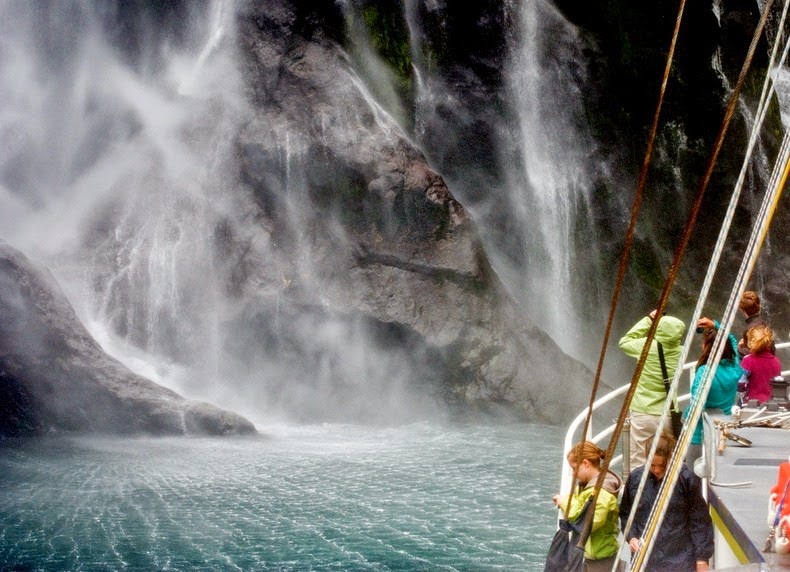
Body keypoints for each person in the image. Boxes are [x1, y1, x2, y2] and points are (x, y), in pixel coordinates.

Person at [619, 433, 714, 571]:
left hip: (681, 561)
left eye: (661, 465)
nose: (657, 470)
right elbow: (627, 514)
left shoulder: (686, 479)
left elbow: (699, 521)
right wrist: (632, 537)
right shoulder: (635, 479)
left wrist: (701, 559)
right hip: (646, 560)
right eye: (652, 465)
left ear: (670, 457)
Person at [619, 310, 686, 468]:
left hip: (642, 412)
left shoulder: (645, 346)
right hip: (667, 414)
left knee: (638, 458)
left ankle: (640, 491)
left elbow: (624, 342)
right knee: (667, 457)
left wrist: (649, 320)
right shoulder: (681, 352)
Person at [552, 441, 622, 572]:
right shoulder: (588, 486)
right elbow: (581, 505)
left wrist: (564, 502)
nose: (573, 473)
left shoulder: (601, 491)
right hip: (592, 555)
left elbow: (587, 521)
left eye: (574, 468)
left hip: (602, 559)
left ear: (585, 463)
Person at [684, 320, 743, 468]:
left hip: (700, 434)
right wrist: (715, 324)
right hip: (723, 430)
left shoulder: (705, 371)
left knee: (695, 476)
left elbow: (697, 405)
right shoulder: (734, 367)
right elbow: (732, 339)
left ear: (707, 347)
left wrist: (685, 418)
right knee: (719, 472)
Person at [699, 290, 774, 356]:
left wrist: (739, 349)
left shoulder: (749, 330)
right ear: (759, 305)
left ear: (742, 310)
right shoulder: (765, 325)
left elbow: (749, 353)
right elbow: (771, 349)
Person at [741, 324, 782, 404]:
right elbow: (778, 383)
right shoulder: (776, 361)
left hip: (752, 403)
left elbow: (741, 383)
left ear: (750, 342)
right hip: (772, 403)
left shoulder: (748, 360)